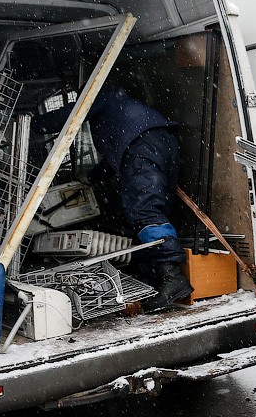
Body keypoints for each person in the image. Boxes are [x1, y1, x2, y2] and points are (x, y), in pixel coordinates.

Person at [36, 84, 193, 312]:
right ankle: (158, 277)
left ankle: (172, 276)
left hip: (143, 145)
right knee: (157, 209)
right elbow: (115, 160)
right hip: (161, 141)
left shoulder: (101, 95)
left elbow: (70, 116)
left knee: (143, 210)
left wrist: (33, 122)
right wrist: (92, 176)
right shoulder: (118, 109)